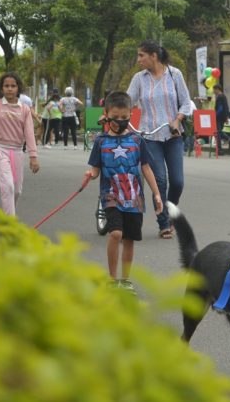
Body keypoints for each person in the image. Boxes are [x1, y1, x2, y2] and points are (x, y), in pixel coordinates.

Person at [85, 91, 163, 292]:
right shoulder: (101, 142)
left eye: (124, 118)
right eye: (116, 117)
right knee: (116, 234)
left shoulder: (137, 141)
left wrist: (156, 194)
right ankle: (112, 279)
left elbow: (146, 168)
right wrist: (90, 174)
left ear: (130, 115)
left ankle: (125, 280)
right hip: (111, 195)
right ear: (107, 114)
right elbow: (95, 168)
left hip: (134, 197)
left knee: (129, 238)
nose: (120, 121)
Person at [127, 40, 194, 239]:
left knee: (177, 182)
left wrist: (177, 120)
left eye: (141, 55)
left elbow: (186, 103)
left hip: (172, 135)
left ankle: (170, 212)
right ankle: (164, 222)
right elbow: (128, 101)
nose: (138, 59)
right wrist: (111, 111)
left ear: (153, 56)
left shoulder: (175, 74)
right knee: (160, 180)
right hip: (149, 136)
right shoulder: (139, 79)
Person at [0, 72, 40, 215]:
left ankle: (8, 214)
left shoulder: (24, 109)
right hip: (0, 149)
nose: (10, 89)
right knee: (8, 187)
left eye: (13, 86)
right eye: (6, 86)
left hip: (18, 151)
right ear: (1, 88)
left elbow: (29, 133)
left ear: (18, 88)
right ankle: (9, 224)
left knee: (17, 190)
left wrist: (33, 156)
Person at [213, 83, 229, 153]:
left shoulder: (219, 97)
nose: (213, 91)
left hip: (219, 117)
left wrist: (215, 115)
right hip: (223, 117)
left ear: (217, 89)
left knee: (218, 132)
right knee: (219, 132)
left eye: (214, 90)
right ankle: (229, 139)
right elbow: (226, 107)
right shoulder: (224, 96)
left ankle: (219, 149)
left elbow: (220, 108)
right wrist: (226, 117)